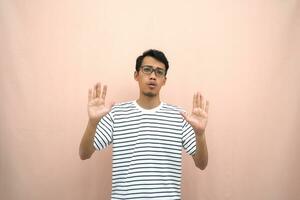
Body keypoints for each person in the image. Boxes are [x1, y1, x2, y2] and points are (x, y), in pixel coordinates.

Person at [79, 49, 209, 200]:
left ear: (164, 80)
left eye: (159, 72)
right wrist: (92, 123)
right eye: (147, 70)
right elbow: (84, 153)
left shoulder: (180, 117)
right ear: (136, 75)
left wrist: (200, 134)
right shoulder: (116, 113)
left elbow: (202, 164)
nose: (153, 76)